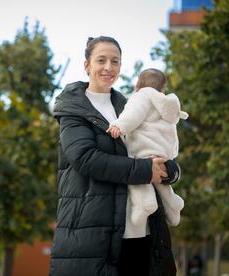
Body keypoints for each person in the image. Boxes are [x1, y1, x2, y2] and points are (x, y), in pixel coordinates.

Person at [49, 36, 180, 276]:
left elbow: (158, 144)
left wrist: (170, 171)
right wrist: (145, 170)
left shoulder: (131, 106)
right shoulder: (73, 111)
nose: (108, 67)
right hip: (93, 235)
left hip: (144, 234)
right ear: (87, 65)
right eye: (101, 60)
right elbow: (86, 159)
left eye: (115, 61)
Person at [106, 68, 187, 239]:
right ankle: (174, 204)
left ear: (137, 85)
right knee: (161, 183)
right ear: (162, 89)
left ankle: (145, 204)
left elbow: (133, 115)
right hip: (163, 153)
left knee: (138, 175)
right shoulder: (166, 105)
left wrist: (119, 126)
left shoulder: (141, 97)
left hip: (143, 152)